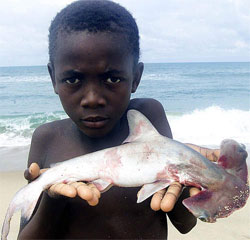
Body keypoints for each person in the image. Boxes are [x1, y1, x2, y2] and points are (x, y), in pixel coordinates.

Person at [18, 0, 220, 239]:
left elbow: (183, 223)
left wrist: (191, 180)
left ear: (135, 77)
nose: (92, 99)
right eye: (73, 80)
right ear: (53, 78)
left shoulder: (148, 116)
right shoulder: (48, 138)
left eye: (112, 79)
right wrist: (52, 198)